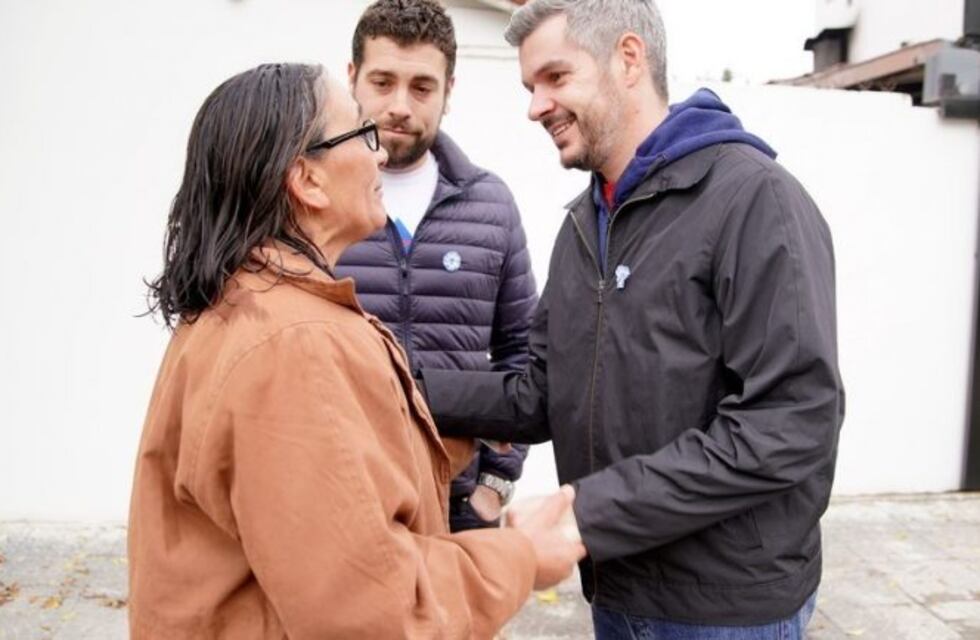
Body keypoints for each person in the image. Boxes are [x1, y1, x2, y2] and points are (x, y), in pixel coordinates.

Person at [418, 1, 846, 638]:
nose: (536, 106)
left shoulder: (753, 199)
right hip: (617, 592)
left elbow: (791, 420)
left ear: (627, 58)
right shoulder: (583, 226)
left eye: (555, 78)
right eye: (530, 87)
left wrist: (587, 515)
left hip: (725, 612)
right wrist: (403, 382)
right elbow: (539, 392)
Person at [128, 62, 584, 640]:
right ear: (308, 181)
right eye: (361, 135)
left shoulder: (259, 308)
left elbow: (314, 490)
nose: (379, 156)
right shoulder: (291, 346)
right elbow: (372, 614)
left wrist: (443, 447)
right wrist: (521, 555)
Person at [335, 0, 536, 532]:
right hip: (342, 500)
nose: (400, 104)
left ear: (450, 91)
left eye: (422, 87)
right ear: (352, 79)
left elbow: (523, 353)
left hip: (459, 507)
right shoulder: (314, 199)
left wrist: (494, 485)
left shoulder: (490, 205)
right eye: (383, 82)